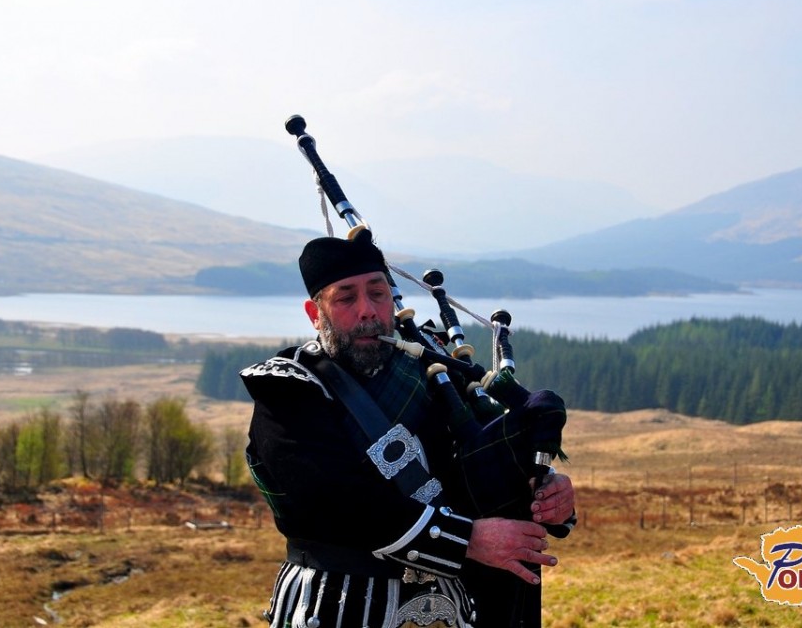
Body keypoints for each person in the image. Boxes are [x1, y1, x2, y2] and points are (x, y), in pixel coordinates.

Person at [242, 231, 575, 627]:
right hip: (333, 608)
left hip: (449, 610)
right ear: (315, 314)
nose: (367, 311)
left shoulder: (435, 374)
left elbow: (484, 460)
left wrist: (547, 492)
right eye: (346, 298)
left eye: (377, 293)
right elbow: (333, 501)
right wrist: (467, 539)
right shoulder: (289, 390)